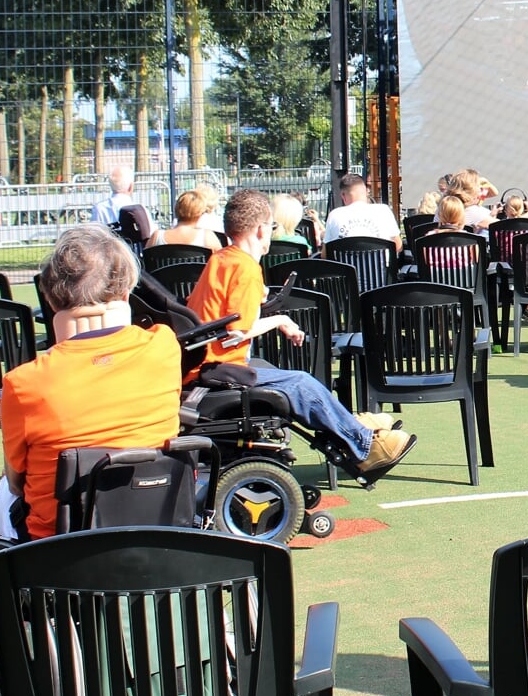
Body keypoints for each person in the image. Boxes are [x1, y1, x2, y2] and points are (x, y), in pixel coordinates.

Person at [188, 189, 414, 480]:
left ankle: (352, 425)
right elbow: (236, 331)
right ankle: (364, 446)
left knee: (290, 378)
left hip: (204, 365)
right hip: (218, 368)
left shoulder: (221, 259)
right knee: (300, 382)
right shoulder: (245, 268)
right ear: (260, 230)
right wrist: (280, 319)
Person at [0, 225, 181, 540]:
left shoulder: (24, 382)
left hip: (56, 545)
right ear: (125, 291)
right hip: (155, 528)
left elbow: (16, 482)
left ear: (51, 298)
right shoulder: (164, 346)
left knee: (4, 492)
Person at [325, 172, 403, 249]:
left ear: (343, 195)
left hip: (344, 262)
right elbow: (398, 246)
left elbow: (325, 254)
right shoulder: (384, 211)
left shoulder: (334, 215)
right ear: (366, 191)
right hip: (378, 262)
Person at [151, 189, 220, 248]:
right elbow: (221, 260)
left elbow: (146, 261)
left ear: (177, 209)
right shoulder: (207, 237)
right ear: (200, 212)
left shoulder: (156, 237)